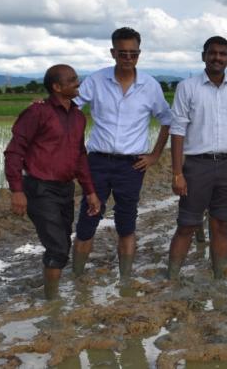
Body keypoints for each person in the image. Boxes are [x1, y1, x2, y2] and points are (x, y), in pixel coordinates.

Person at [71, 27, 172, 281]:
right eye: (123, 53)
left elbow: (167, 119)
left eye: (133, 54)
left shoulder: (150, 86)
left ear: (139, 54)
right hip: (98, 163)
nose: (128, 58)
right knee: (87, 221)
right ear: (113, 52)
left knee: (126, 223)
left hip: (132, 165)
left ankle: (125, 279)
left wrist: (155, 155)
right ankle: (76, 277)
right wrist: (46, 104)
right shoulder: (96, 81)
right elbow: (70, 108)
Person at [167, 36, 227, 281]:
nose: (217, 57)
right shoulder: (187, 87)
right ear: (204, 56)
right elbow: (177, 131)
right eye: (212, 53)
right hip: (197, 166)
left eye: (222, 54)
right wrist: (177, 173)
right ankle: (172, 278)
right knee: (187, 224)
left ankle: (219, 278)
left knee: (221, 225)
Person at [4, 65, 101, 299]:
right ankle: (52, 304)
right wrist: (17, 190)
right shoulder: (37, 113)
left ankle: (51, 295)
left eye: (76, 78)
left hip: (65, 189)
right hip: (39, 188)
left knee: (63, 243)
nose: (78, 83)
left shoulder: (78, 117)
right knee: (58, 247)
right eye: (72, 80)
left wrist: (90, 191)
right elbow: (14, 152)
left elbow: (79, 156)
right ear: (57, 87)